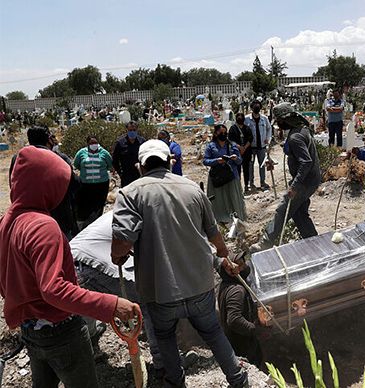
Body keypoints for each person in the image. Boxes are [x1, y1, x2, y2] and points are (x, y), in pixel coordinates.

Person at [111, 140, 249, 388]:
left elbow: (122, 243)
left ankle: (175, 381)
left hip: (160, 291)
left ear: (140, 166)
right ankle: (238, 379)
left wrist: (118, 255)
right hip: (199, 285)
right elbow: (215, 235)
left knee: (165, 337)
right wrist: (223, 257)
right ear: (170, 161)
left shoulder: (130, 193)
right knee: (213, 333)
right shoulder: (192, 189)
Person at [0, 146, 140, 388]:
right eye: (60, 182)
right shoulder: (43, 227)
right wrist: (111, 304)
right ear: (47, 183)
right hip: (61, 330)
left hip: (31, 329)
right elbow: (53, 289)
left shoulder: (7, 222)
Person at [71, 211, 163, 372]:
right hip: (89, 263)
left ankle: (90, 344)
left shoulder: (128, 209)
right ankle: (164, 362)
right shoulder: (147, 217)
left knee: (85, 305)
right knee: (148, 303)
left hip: (74, 259)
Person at [251, 103, 321, 252]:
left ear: (285, 119)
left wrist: (294, 186)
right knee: (299, 213)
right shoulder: (301, 130)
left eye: (279, 121)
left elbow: (306, 162)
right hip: (309, 179)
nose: (279, 125)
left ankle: (265, 242)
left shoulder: (296, 137)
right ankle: (314, 242)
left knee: (283, 209)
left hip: (304, 181)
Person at [9, 126, 80, 239]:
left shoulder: (18, 158)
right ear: (48, 140)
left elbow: (12, 183)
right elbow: (74, 185)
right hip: (58, 216)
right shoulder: (59, 158)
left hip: (25, 218)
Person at [218, 256, 262, 366]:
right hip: (242, 345)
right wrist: (254, 329)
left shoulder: (226, 284)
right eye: (240, 265)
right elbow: (234, 319)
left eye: (243, 262)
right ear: (230, 272)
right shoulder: (237, 291)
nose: (245, 266)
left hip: (237, 342)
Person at [203, 124, 247, 224]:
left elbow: (240, 161)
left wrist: (236, 158)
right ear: (215, 133)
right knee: (218, 200)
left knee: (234, 198)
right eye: (221, 132)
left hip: (231, 176)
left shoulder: (232, 145)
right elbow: (205, 161)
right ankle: (220, 219)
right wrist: (216, 161)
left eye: (225, 132)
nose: (223, 134)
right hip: (217, 176)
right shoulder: (211, 146)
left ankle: (237, 219)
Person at [73, 135, 113, 229]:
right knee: (85, 204)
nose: (93, 145)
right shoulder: (81, 153)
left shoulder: (104, 153)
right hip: (85, 185)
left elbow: (109, 165)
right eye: (91, 143)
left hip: (101, 185)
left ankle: (97, 225)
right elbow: (77, 164)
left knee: (98, 205)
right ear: (87, 144)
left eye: (95, 143)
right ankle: (84, 225)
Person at [245, 100, 272, 191]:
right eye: (255, 107)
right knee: (250, 165)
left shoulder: (264, 118)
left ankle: (262, 182)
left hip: (262, 146)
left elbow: (269, 129)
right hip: (251, 147)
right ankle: (251, 183)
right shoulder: (247, 119)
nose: (257, 109)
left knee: (262, 165)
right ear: (251, 108)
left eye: (258, 107)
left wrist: (268, 138)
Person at [112, 121, 146, 187]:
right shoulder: (120, 143)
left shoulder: (142, 141)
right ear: (127, 130)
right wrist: (120, 172)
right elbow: (115, 159)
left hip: (140, 175)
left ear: (137, 130)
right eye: (130, 130)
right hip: (126, 176)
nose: (132, 132)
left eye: (134, 130)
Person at [229, 112, 254, 194]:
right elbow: (230, 139)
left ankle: (246, 185)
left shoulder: (247, 128)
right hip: (237, 152)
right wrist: (239, 147)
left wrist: (244, 148)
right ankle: (238, 186)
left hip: (246, 151)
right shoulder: (233, 128)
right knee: (238, 169)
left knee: (246, 169)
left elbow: (250, 139)